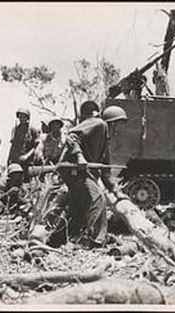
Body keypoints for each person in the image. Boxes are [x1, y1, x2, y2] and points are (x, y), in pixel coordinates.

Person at [58, 100, 127, 249]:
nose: (119, 130)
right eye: (118, 125)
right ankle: (94, 241)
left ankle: (60, 238)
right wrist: (79, 157)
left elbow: (106, 172)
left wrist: (116, 191)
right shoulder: (99, 124)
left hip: (82, 172)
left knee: (79, 205)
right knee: (98, 199)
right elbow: (72, 136)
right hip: (73, 169)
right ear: (112, 123)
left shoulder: (105, 142)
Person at [7, 107, 39, 181]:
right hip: (17, 159)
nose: (21, 118)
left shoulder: (32, 130)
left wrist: (27, 156)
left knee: (28, 179)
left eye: (24, 116)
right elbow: (13, 146)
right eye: (20, 116)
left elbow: (35, 146)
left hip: (29, 161)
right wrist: (9, 160)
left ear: (27, 118)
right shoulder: (15, 130)